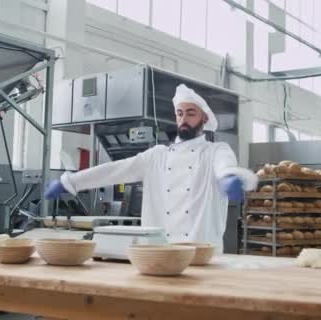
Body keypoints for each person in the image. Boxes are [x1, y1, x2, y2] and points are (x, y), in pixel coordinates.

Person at [45, 84, 257, 252]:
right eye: (179, 113)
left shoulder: (215, 151)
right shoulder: (157, 155)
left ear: (205, 118)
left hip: (201, 255)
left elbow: (224, 165)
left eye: (191, 113)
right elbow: (116, 169)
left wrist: (228, 176)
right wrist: (71, 182)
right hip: (158, 253)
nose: (183, 119)